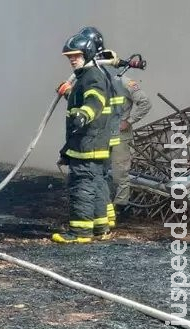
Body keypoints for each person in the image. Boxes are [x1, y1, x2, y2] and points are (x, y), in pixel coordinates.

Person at [77, 27, 152, 228]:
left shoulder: (124, 82)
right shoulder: (96, 82)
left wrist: (129, 121)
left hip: (120, 135)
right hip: (102, 134)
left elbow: (144, 102)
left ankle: (121, 207)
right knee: (101, 172)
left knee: (120, 173)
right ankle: (104, 207)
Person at [52, 34, 112, 244]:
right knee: (95, 186)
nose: (72, 59)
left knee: (82, 187)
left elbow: (96, 99)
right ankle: (100, 228)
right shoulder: (85, 76)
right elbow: (82, 97)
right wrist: (68, 93)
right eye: (69, 57)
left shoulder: (92, 76)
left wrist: (84, 114)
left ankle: (80, 232)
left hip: (86, 144)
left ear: (87, 54)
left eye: (76, 56)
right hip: (92, 144)